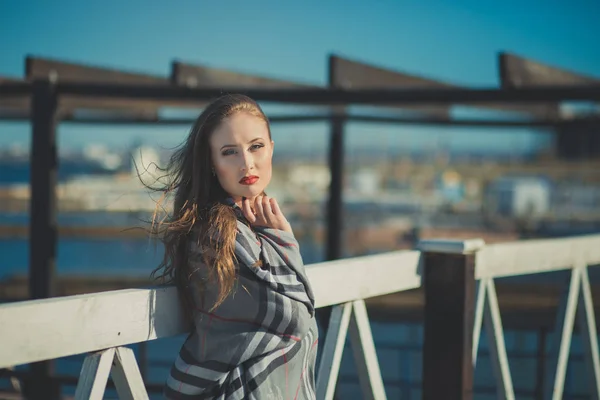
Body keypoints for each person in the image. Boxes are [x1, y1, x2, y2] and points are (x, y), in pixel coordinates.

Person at [150, 94, 319, 399]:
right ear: (212, 164)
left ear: (271, 149)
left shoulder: (255, 224)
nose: (247, 162)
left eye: (256, 146)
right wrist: (286, 241)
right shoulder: (214, 234)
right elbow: (295, 318)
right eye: (229, 152)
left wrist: (279, 238)